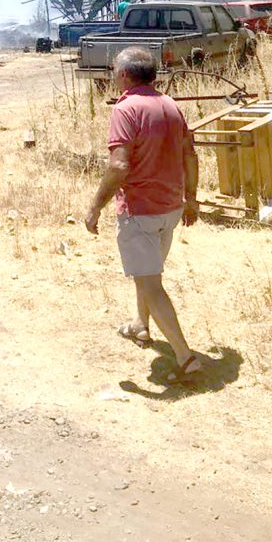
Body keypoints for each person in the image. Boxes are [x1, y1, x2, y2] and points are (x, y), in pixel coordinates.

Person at [84, 46, 202, 383]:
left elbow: (119, 165)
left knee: (150, 283)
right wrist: (192, 200)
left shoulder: (126, 109)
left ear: (123, 75)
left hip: (141, 211)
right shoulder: (170, 105)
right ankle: (140, 325)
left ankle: (184, 357)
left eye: (113, 71)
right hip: (171, 208)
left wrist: (95, 207)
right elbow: (191, 157)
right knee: (147, 274)